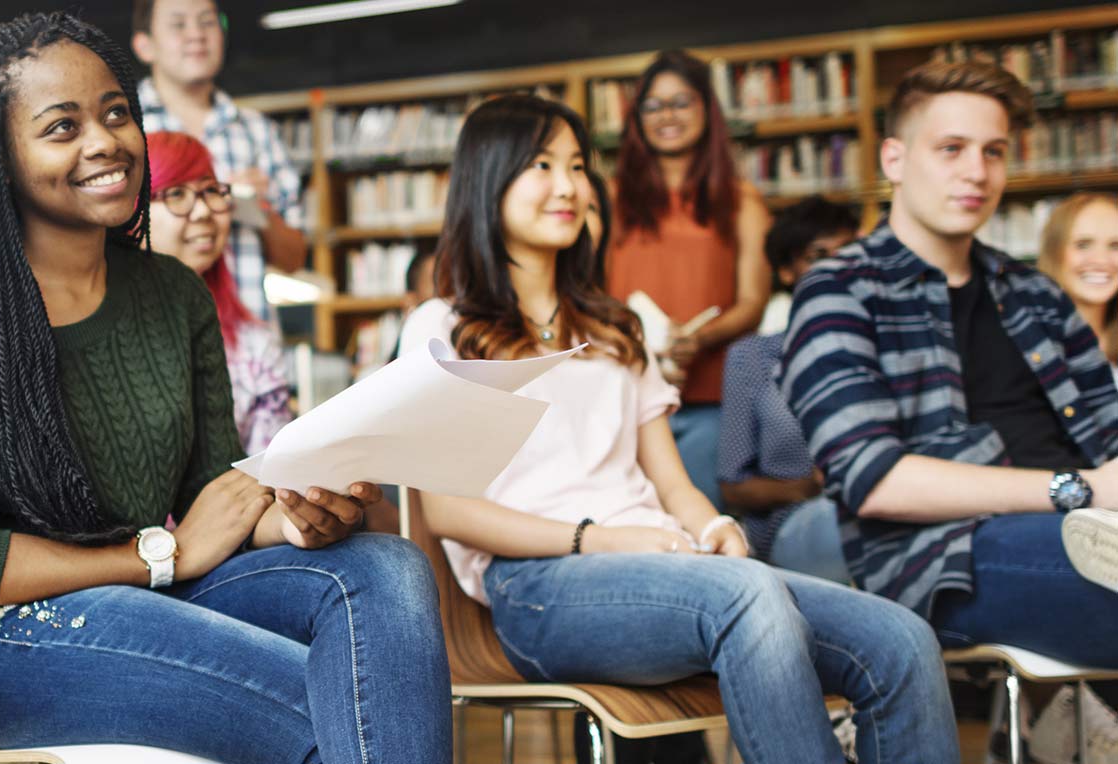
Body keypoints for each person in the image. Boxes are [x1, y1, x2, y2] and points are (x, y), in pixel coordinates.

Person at [0, 13, 451, 762]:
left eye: (115, 114)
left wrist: (299, 515)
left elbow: (217, 495)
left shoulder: (174, 293)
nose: (105, 141)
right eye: (61, 127)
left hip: (148, 593)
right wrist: (161, 555)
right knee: (330, 707)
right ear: (1, 158)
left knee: (386, 566)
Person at [402, 93, 957, 763]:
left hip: (662, 559)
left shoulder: (614, 330)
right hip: (536, 588)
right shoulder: (442, 326)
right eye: (542, 166)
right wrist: (598, 540)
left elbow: (671, 480)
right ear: (488, 181)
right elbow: (448, 510)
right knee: (749, 598)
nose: (569, 187)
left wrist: (713, 527)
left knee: (900, 640)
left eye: (578, 167)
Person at [781, 61, 1118, 673]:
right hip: (947, 557)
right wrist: (1079, 489)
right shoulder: (840, 290)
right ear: (894, 160)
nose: (977, 172)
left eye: (993, 151)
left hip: (1098, 530)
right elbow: (872, 479)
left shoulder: (1037, 295)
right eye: (951, 149)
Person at [606, 50, 772, 511]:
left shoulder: (742, 200)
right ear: (636, 117)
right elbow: (589, 292)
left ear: (706, 109)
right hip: (622, 399)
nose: (667, 116)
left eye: (681, 102)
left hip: (711, 402)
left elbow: (752, 301)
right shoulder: (608, 199)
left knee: (701, 529)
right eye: (653, 106)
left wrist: (695, 339)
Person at [132, 0, 306, 319]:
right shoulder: (124, 129)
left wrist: (257, 208)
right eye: (178, 25)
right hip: (152, 335)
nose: (197, 34)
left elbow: (295, 258)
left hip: (247, 345)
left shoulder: (257, 131)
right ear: (145, 46)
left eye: (207, 22)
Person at [717, 197, 857, 583]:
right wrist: (809, 486)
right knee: (847, 524)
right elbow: (733, 488)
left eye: (848, 252)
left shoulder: (881, 349)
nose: (837, 266)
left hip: (879, 510)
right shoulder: (754, 358)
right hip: (796, 520)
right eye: (818, 255)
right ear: (786, 271)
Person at [145, 131, 289, 455]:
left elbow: (277, 476)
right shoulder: (99, 335)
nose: (203, 212)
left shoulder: (254, 347)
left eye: (211, 191)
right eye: (176, 194)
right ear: (131, 212)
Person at [1038, 192, 1118, 373]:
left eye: (1115, 246)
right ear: (1054, 253)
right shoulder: (1031, 344)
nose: (1101, 260)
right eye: (1083, 244)